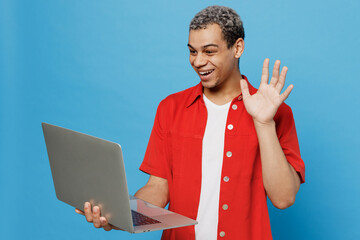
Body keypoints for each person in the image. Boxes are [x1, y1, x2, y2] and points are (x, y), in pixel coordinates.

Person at [75, 5, 305, 240]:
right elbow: (158, 187)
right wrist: (118, 214)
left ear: (237, 48)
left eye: (209, 51)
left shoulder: (276, 113)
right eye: (193, 51)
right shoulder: (171, 108)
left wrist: (264, 123)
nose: (198, 61)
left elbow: (284, 198)